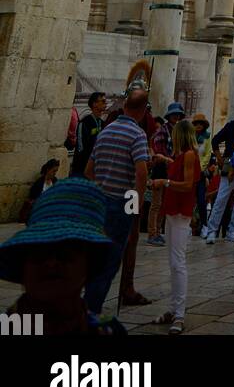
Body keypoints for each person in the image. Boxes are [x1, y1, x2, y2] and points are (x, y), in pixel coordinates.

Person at [0, 180, 125, 335]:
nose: (51, 263)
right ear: (22, 264)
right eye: (39, 253)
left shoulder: (108, 331)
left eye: (65, 253)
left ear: (89, 265)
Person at [83, 87, 149, 315]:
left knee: (96, 257)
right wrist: (135, 204)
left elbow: (88, 170)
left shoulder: (106, 130)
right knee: (110, 261)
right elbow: (142, 172)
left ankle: (87, 304)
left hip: (100, 203)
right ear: (141, 110)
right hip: (120, 204)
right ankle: (91, 310)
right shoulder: (137, 134)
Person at [150, 119, 199, 334]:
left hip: (180, 212)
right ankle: (173, 308)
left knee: (178, 262)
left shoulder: (189, 155)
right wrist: (166, 161)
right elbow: (179, 169)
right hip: (173, 211)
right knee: (172, 262)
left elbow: (188, 184)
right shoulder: (181, 156)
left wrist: (165, 183)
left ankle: (179, 315)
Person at [205, 100, 234, 244]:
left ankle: (232, 231)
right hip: (230, 167)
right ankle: (212, 230)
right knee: (221, 199)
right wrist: (219, 158)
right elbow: (215, 140)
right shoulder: (231, 126)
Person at [147, 101, 183, 246]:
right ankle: (152, 233)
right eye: (174, 114)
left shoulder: (177, 131)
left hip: (171, 169)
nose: (176, 116)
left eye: (178, 114)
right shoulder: (162, 130)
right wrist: (169, 159)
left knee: (163, 204)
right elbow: (159, 152)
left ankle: (158, 231)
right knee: (156, 203)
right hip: (161, 169)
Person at [71, 93, 107, 177]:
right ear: (94, 104)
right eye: (103, 101)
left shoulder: (102, 123)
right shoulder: (84, 122)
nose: (106, 103)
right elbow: (80, 147)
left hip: (96, 166)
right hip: (82, 166)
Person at [191, 113, 212, 234]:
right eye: (196, 124)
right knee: (189, 198)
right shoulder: (190, 137)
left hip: (201, 172)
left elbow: (207, 154)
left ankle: (204, 225)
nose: (198, 126)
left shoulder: (207, 138)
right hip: (190, 170)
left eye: (200, 124)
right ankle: (190, 224)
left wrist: (200, 167)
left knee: (201, 199)